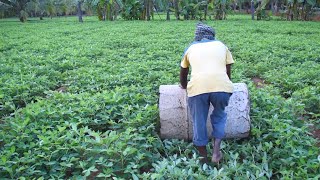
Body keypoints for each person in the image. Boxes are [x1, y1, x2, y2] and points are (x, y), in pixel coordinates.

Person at [179, 23, 234, 164]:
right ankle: (216, 151)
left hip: (198, 89)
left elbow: (183, 72)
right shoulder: (222, 46)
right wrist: (224, 85)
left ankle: (203, 156)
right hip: (222, 87)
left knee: (199, 122)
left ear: (197, 36)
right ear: (212, 35)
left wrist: (184, 86)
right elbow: (228, 71)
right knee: (220, 116)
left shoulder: (191, 47)